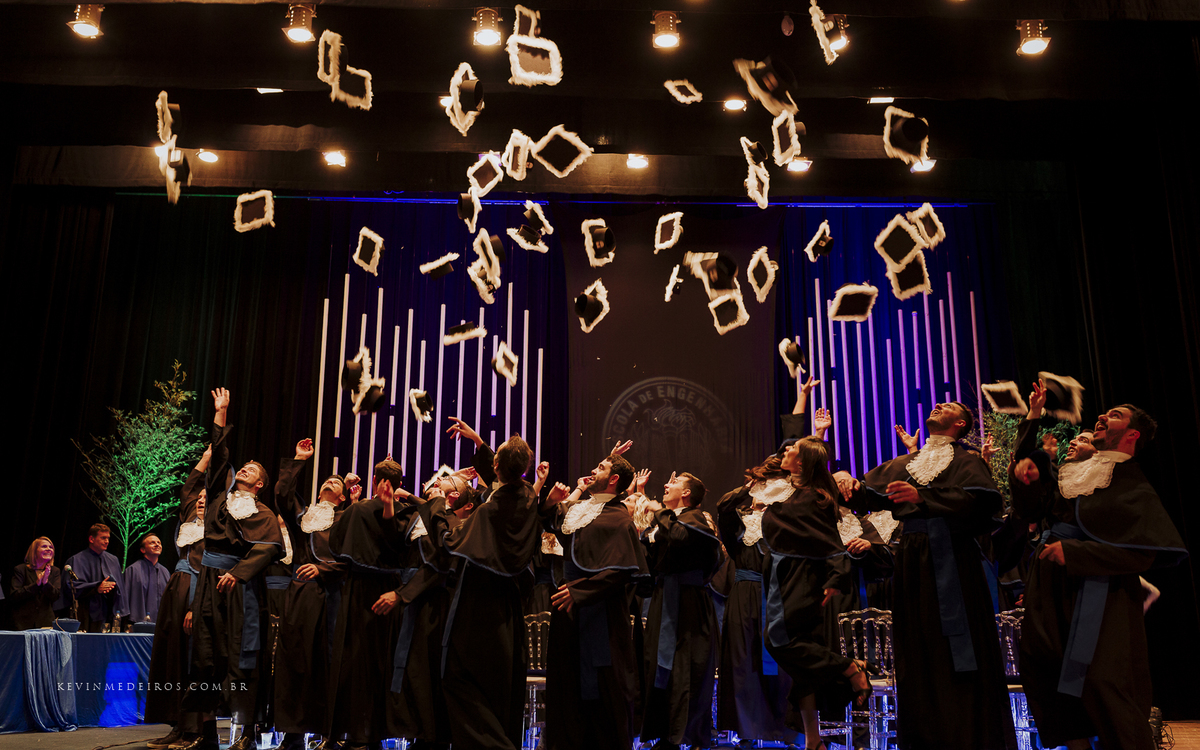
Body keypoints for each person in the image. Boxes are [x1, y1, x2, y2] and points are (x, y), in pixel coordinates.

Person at [1010, 383, 1187, 750]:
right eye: (1105, 413)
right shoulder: (1071, 475)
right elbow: (1029, 502)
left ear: (1132, 434)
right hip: (1049, 586)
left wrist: (1076, 554)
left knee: (1103, 681)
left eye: (1116, 415)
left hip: (1100, 593)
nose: (1103, 416)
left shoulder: (1131, 482)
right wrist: (1026, 467)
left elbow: (1143, 555)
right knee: (1047, 674)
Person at [835, 403, 1017, 750]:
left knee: (955, 647)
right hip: (913, 561)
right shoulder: (909, 462)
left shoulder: (966, 460)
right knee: (917, 649)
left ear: (960, 423)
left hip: (953, 557)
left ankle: (966, 734)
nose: (938, 406)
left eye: (948, 406)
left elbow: (983, 502)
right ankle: (925, 737)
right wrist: (852, 487)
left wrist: (925, 497)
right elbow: (875, 491)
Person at [419, 433, 541, 750]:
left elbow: (448, 542)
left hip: (479, 610)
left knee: (460, 681)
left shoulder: (488, 511)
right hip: (510, 611)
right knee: (500, 687)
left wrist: (436, 505)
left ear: (497, 467)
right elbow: (509, 477)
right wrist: (478, 441)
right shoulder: (527, 498)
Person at [180, 387, 285, 750]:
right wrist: (220, 412)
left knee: (242, 660)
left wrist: (238, 573)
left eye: (252, 470)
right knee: (206, 657)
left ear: (259, 484)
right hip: (209, 581)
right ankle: (206, 735)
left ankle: (244, 735)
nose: (244, 468)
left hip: (240, 589)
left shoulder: (263, 512)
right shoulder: (220, 496)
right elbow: (221, 453)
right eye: (244, 466)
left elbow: (272, 547)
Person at [762, 437, 877, 750]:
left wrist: (837, 575)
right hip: (783, 574)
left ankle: (849, 668)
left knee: (778, 639)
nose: (786, 450)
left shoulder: (815, 497)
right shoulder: (793, 491)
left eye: (792, 449)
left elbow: (829, 540)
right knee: (804, 663)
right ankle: (813, 741)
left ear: (802, 462)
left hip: (802, 577)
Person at [540, 453, 649, 750]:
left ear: (614, 479)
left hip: (602, 615)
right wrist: (550, 501)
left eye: (601, 467)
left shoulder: (619, 518)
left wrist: (581, 591)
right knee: (566, 687)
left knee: (605, 689)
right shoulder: (580, 511)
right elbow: (551, 521)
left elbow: (623, 570)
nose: (592, 469)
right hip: (568, 612)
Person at [327, 458, 414, 750]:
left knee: (355, 661)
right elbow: (405, 551)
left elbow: (337, 545)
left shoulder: (358, 510)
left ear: (377, 482)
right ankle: (375, 733)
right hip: (390, 591)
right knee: (382, 662)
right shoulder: (407, 512)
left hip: (358, 591)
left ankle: (355, 733)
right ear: (399, 484)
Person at [273, 438, 352, 750]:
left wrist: (324, 570)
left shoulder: (347, 517)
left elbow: (356, 560)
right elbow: (282, 495)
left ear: (343, 495)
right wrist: (299, 459)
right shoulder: (305, 515)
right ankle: (293, 734)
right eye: (327, 479)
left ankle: (330, 734)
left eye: (337, 481)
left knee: (329, 663)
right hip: (302, 596)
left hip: (334, 596)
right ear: (320, 491)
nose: (331, 479)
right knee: (296, 661)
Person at [715, 453, 797, 747]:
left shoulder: (784, 521)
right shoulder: (739, 526)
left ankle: (787, 730)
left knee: (784, 661)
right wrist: (751, 484)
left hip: (781, 594)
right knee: (744, 664)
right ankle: (748, 731)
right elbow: (724, 506)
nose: (758, 504)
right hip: (744, 595)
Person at [640, 471, 725, 750]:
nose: (665, 485)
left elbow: (678, 536)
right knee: (660, 667)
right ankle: (665, 736)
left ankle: (690, 737)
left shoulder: (694, 518)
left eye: (674, 483)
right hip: (664, 600)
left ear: (686, 494)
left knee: (688, 670)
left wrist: (660, 511)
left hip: (689, 605)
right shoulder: (670, 519)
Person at [145, 447, 211, 749]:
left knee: (191, 663)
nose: (199, 501)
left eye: (205, 499)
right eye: (198, 499)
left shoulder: (217, 531)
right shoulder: (189, 520)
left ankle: (194, 729)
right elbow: (188, 487)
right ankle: (175, 724)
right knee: (171, 660)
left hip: (195, 592)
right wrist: (205, 458)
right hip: (176, 587)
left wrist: (194, 608)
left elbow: (207, 569)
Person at [66, 522, 124, 632]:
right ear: (91, 539)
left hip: (107, 613)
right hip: (85, 613)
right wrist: (96, 588)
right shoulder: (76, 560)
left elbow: (121, 589)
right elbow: (71, 588)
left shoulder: (113, 560)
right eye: (103, 538)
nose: (107, 541)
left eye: (108, 538)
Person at [10, 537, 62, 630]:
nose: (48, 549)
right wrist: (36, 584)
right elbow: (15, 596)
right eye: (44, 546)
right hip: (23, 624)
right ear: (34, 551)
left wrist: (46, 583)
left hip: (46, 623)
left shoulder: (55, 571)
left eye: (51, 547)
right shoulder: (21, 570)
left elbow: (56, 596)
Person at [124, 533, 171, 624]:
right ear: (143, 549)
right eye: (152, 543)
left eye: (159, 542)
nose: (157, 545)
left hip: (161, 624)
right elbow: (125, 598)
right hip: (136, 624)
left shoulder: (165, 572)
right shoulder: (133, 570)